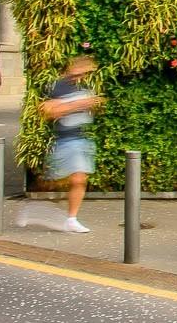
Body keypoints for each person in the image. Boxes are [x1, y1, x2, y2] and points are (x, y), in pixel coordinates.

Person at [36, 56, 103, 233]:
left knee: (79, 179)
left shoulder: (84, 87)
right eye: (83, 68)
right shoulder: (59, 86)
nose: (85, 73)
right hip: (65, 139)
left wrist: (92, 104)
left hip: (82, 138)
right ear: (74, 67)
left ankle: (71, 219)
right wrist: (80, 104)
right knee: (75, 179)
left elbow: (91, 106)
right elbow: (49, 111)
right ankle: (64, 212)